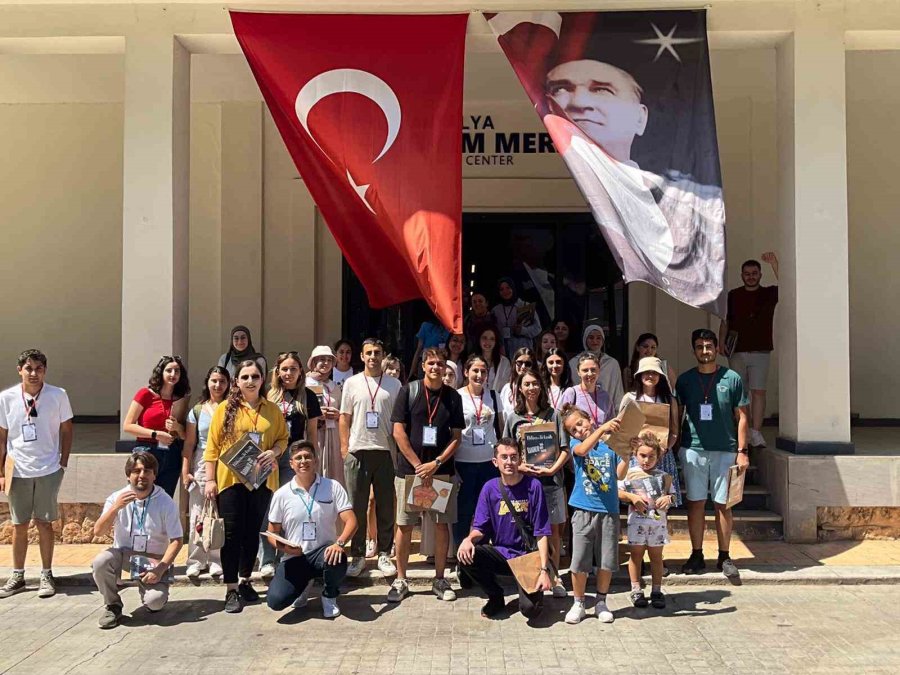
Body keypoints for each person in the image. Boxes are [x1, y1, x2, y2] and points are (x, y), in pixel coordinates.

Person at [544, 58, 726, 314]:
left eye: (602, 89)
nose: (579, 102)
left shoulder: (691, 205)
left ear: (640, 118)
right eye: (561, 89)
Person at [204, 360, 288, 613]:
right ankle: (231, 588)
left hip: (261, 480)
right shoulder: (224, 409)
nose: (250, 381)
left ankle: (245, 580)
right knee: (231, 534)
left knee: (252, 532)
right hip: (230, 481)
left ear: (262, 380)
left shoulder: (272, 410)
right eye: (245, 377)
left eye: (255, 376)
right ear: (237, 382)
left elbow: (283, 439)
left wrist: (274, 452)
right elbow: (212, 447)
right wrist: (209, 480)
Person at [391, 348, 464, 603]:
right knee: (404, 525)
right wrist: (418, 465)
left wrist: (436, 463)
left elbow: (456, 437)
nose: (435, 367)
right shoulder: (408, 391)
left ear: (445, 367)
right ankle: (401, 579)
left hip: (440, 473)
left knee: (441, 525)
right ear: (422, 366)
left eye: (440, 364)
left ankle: (440, 579)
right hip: (410, 472)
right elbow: (398, 431)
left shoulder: (453, 397)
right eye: (431, 363)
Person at [676, 329, 749, 578]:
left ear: (717, 348)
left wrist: (742, 451)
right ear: (693, 350)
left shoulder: (732, 378)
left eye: (709, 346)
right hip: (693, 449)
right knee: (695, 503)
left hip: (725, 449)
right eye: (699, 346)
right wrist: (675, 444)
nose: (704, 351)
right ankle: (696, 554)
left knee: (723, 504)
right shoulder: (685, 380)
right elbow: (676, 414)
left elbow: (742, 417)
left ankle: (724, 556)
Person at [0, 349, 73, 599]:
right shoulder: (6, 398)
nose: (33, 373)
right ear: (19, 370)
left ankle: (46, 574)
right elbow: (2, 437)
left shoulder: (58, 395)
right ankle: (18, 575)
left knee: (44, 523)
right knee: (19, 524)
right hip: (17, 469)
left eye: (39, 368)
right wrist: (1, 471)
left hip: (48, 469)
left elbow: (66, 429)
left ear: (45, 371)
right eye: (28, 368)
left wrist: (63, 462)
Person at [456, 437, 552, 620]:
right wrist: (468, 540)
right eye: (504, 457)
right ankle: (495, 597)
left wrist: (543, 570)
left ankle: (529, 590)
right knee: (466, 554)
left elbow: (542, 532)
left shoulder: (534, 486)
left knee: (531, 610)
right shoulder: (490, 488)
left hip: (527, 557)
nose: (509, 462)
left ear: (520, 459)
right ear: (495, 462)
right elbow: (480, 527)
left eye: (514, 457)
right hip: (501, 554)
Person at [265, 441, 357, 617]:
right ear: (291, 464)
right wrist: (285, 548)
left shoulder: (332, 486)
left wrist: (339, 543)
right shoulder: (281, 494)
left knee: (337, 558)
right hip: (295, 556)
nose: (303, 461)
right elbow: (271, 533)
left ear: (315, 460)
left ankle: (329, 596)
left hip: (324, 552)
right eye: (298, 458)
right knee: (275, 602)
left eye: (307, 457)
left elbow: (351, 521)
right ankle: (303, 586)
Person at [91, 451, 183, 629]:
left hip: (153, 560)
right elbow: (98, 531)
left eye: (147, 471)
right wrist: (116, 508)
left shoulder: (165, 502)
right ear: (128, 475)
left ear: (154, 475)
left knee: (155, 602)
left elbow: (177, 540)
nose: (142, 475)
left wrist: (160, 569)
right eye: (136, 471)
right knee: (101, 561)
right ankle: (112, 605)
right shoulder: (117, 498)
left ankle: (151, 593)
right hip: (124, 555)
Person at [502, 368, 568, 598]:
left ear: (542, 386)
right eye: (527, 384)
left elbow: (565, 449)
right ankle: (531, 574)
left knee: (554, 531)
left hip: (551, 482)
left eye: (535, 383)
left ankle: (556, 576)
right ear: (520, 388)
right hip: (525, 484)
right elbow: (506, 450)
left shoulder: (554, 415)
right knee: (528, 529)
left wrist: (553, 469)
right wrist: (519, 467)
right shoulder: (513, 417)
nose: (531, 388)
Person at [340, 338, 401, 578]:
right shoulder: (352, 383)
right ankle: (357, 555)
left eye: (377, 352)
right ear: (362, 356)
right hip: (358, 451)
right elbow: (344, 417)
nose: (373, 357)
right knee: (357, 505)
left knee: (386, 505)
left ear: (383, 355)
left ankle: (384, 552)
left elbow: (399, 420)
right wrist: (345, 449)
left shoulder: (394, 384)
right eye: (369, 353)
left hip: (385, 451)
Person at [259, 352, 323, 579]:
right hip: (270, 455)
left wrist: (313, 460)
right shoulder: (268, 394)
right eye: (284, 369)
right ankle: (267, 559)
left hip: (295, 458)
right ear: (277, 371)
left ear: (300, 372)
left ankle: (286, 555)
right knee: (268, 506)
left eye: (293, 369)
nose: (288, 373)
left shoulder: (308, 396)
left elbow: (312, 433)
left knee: (290, 506)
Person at [560, 403, 624, 624]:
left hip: (609, 509)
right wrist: (602, 429)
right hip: (583, 508)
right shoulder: (576, 444)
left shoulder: (610, 444)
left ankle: (601, 601)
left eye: (580, 423)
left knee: (606, 559)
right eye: (574, 429)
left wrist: (627, 453)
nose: (579, 430)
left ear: (590, 419)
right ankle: (578, 602)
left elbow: (619, 474)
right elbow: (581, 451)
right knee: (579, 560)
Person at [719, 254, 779, 448]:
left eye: (754, 273)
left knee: (758, 391)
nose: (751, 276)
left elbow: (789, 286)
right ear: (742, 275)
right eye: (747, 273)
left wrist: (774, 264)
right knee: (740, 393)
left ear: (760, 274)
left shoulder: (769, 293)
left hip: (761, 350)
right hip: (737, 351)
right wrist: (721, 342)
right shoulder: (733, 295)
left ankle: (756, 432)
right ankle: (742, 430)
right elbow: (725, 321)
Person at [618, 432, 676, 609]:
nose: (646, 460)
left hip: (657, 524)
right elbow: (617, 492)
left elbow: (673, 495)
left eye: (651, 456)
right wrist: (631, 497)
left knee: (656, 557)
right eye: (643, 455)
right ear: (635, 454)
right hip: (636, 523)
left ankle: (657, 590)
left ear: (658, 457)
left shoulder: (663, 476)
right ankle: (636, 589)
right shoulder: (629, 474)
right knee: (636, 556)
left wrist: (668, 499)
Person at [181, 366, 229, 580]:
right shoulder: (197, 411)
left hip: (227, 463)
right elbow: (189, 444)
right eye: (214, 381)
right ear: (207, 382)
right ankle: (196, 559)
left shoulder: (233, 408)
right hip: (201, 463)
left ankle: (216, 560)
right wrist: (186, 471)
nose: (218, 385)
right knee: (198, 513)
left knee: (221, 513)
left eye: (222, 381)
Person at [122, 356, 191, 497]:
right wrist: (156, 434)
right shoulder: (145, 394)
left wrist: (178, 427)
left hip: (172, 453)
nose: (173, 374)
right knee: (141, 496)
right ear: (161, 372)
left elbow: (185, 436)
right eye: (169, 370)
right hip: (147, 450)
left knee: (164, 497)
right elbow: (128, 426)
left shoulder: (181, 400)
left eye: (177, 371)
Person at [619, 356, 681, 506]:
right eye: (646, 372)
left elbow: (674, 430)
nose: (650, 376)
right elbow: (621, 427)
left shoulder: (669, 399)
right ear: (640, 375)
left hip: (663, 456)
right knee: (637, 497)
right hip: (636, 456)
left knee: (663, 499)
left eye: (654, 373)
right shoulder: (630, 398)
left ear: (660, 376)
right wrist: (630, 443)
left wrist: (666, 448)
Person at [453, 355, 501, 548]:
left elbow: (500, 428)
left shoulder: (494, 396)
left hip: (489, 463)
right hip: (463, 462)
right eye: (475, 370)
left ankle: (484, 553)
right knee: (463, 511)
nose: (479, 375)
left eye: (483, 371)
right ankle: (461, 553)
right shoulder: (456, 396)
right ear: (466, 372)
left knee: (488, 510)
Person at [305, 346, 344, 485]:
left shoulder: (336, 387)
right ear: (313, 362)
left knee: (334, 471)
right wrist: (316, 413)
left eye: (329, 360)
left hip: (332, 434)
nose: (325, 363)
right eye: (321, 359)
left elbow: (343, 410)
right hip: (314, 433)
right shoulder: (306, 384)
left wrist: (338, 414)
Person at [568, 324, 624, 404]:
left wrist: (618, 409)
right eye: (591, 338)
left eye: (598, 338)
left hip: (606, 408)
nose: (595, 341)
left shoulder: (612, 364)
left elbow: (617, 391)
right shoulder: (574, 363)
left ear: (603, 340)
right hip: (581, 408)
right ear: (585, 339)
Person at [562, 352, 615, 429]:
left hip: (602, 437)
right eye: (585, 370)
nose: (590, 374)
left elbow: (611, 426)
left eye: (593, 370)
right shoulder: (571, 393)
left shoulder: (605, 397)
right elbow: (562, 424)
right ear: (578, 372)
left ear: (599, 371)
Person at [492, 277, 542, 357]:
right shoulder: (496, 310)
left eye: (508, 288)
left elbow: (538, 328)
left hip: (524, 352)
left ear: (513, 288)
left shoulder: (525, 306)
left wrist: (523, 330)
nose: (505, 291)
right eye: (501, 289)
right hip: (504, 353)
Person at [498, 348, 536, 417]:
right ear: (514, 363)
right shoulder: (507, 388)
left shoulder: (536, 388)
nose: (523, 367)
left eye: (528, 364)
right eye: (520, 363)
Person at [475, 325, 511, 393]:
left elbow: (506, 387)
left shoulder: (504, 362)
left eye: (492, 339)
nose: (488, 342)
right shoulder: (472, 361)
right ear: (479, 339)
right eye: (484, 338)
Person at [540, 347, 571, 412]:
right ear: (545, 365)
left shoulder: (571, 389)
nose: (555, 366)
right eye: (551, 362)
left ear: (564, 364)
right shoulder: (540, 388)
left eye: (558, 362)